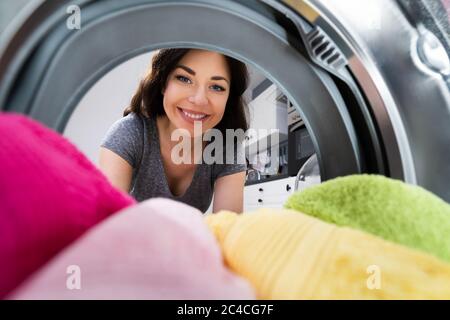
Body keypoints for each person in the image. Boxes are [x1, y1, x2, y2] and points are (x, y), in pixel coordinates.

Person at [99, 48, 249, 213]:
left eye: (216, 87)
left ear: (228, 98)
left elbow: (228, 230)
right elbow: (105, 221)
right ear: (163, 83)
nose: (199, 100)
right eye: (184, 78)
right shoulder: (129, 133)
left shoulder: (227, 148)